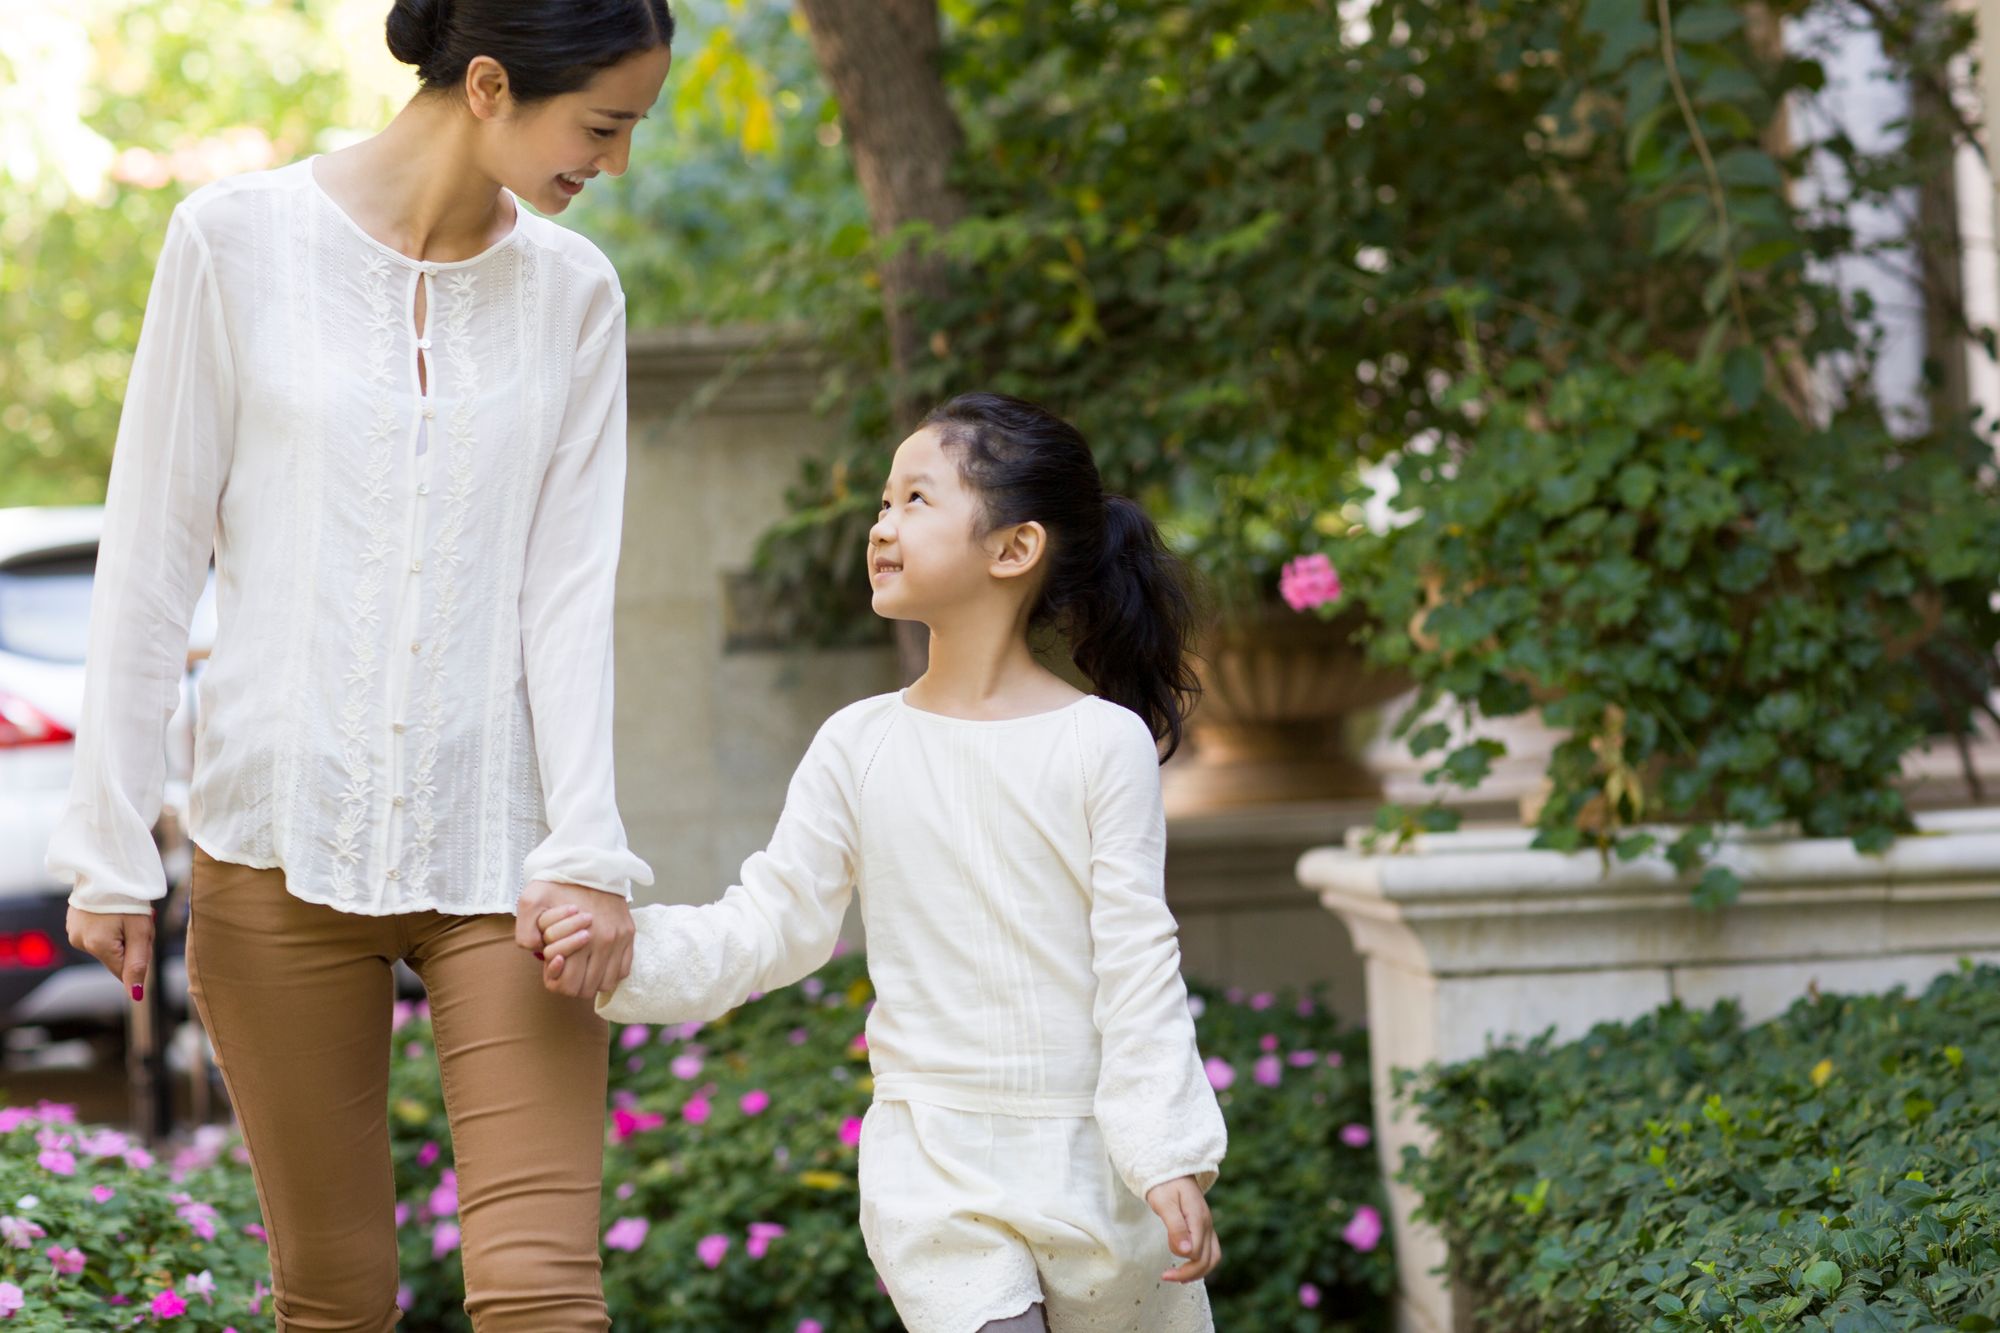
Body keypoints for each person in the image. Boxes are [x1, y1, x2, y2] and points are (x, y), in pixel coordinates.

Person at [48, 3, 675, 1327]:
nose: (613, 163)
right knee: (331, 1295)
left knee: (544, 1290)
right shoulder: (236, 241)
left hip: (506, 853)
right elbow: (155, 551)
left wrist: (587, 844)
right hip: (274, 839)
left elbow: (568, 593)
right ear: (491, 84)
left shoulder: (576, 294)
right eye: (603, 126)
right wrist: (108, 839)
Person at [533, 392, 1227, 1332]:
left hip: (1095, 1167)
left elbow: (1138, 961)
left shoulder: (1101, 744)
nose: (880, 525)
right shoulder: (858, 742)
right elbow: (773, 922)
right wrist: (624, 955)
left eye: (914, 500)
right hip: (934, 1163)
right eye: (882, 503)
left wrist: (1165, 1151)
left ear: (1013, 549)